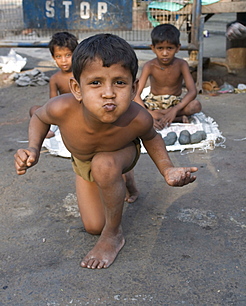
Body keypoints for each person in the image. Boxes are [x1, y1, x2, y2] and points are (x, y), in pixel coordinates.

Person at [14, 33, 198, 270]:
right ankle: (124, 182)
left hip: (121, 153)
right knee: (93, 226)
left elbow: (152, 139)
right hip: (83, 160)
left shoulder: (137, 117)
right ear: (76, 89)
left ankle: (113, 235)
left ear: (133, 89)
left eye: (119, 83)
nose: (108, 93)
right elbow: (39, 117)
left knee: (105, 166)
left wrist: (167, 169)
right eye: (95, 83)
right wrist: (33, 148)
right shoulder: (62, 108)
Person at [134, 24, 202, 130]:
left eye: (169, 48)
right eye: (160, 48)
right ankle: (175, 118)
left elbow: (192, 91)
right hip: (154, 103)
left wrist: (174, 110)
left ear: (178, 48)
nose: (165, 53)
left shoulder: (181, 64)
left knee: (196, 105)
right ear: (153, 48)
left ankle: (162, 116)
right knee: (130, 106)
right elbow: (136, 93)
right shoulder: (149, 66)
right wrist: (147, 114)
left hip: (174, 103)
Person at [29, 31, 78, 137]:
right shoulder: (55, 79)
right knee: (34, 109)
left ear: (76, 54)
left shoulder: (81, 74)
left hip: (79, 112)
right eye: (59, 56)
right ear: (53, 57)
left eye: (68, 55)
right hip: (61, 113)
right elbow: (52, 102)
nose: (64, 60)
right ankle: (47, 131)